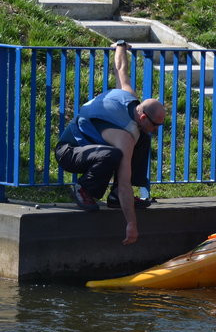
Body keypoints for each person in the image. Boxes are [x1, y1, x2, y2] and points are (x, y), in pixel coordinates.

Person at [55, 42, 166, 245]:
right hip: (68, 151)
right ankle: (83, 189)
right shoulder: (125, 136)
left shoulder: (129, 97)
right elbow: (124, 184)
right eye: (155, 125)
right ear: (142, 117)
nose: (157, 130)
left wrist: (121, 47)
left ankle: (113, 198)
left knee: (143, 139)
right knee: (112, 155)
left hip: (90, 147)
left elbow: (121, 70)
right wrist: (131, 224)